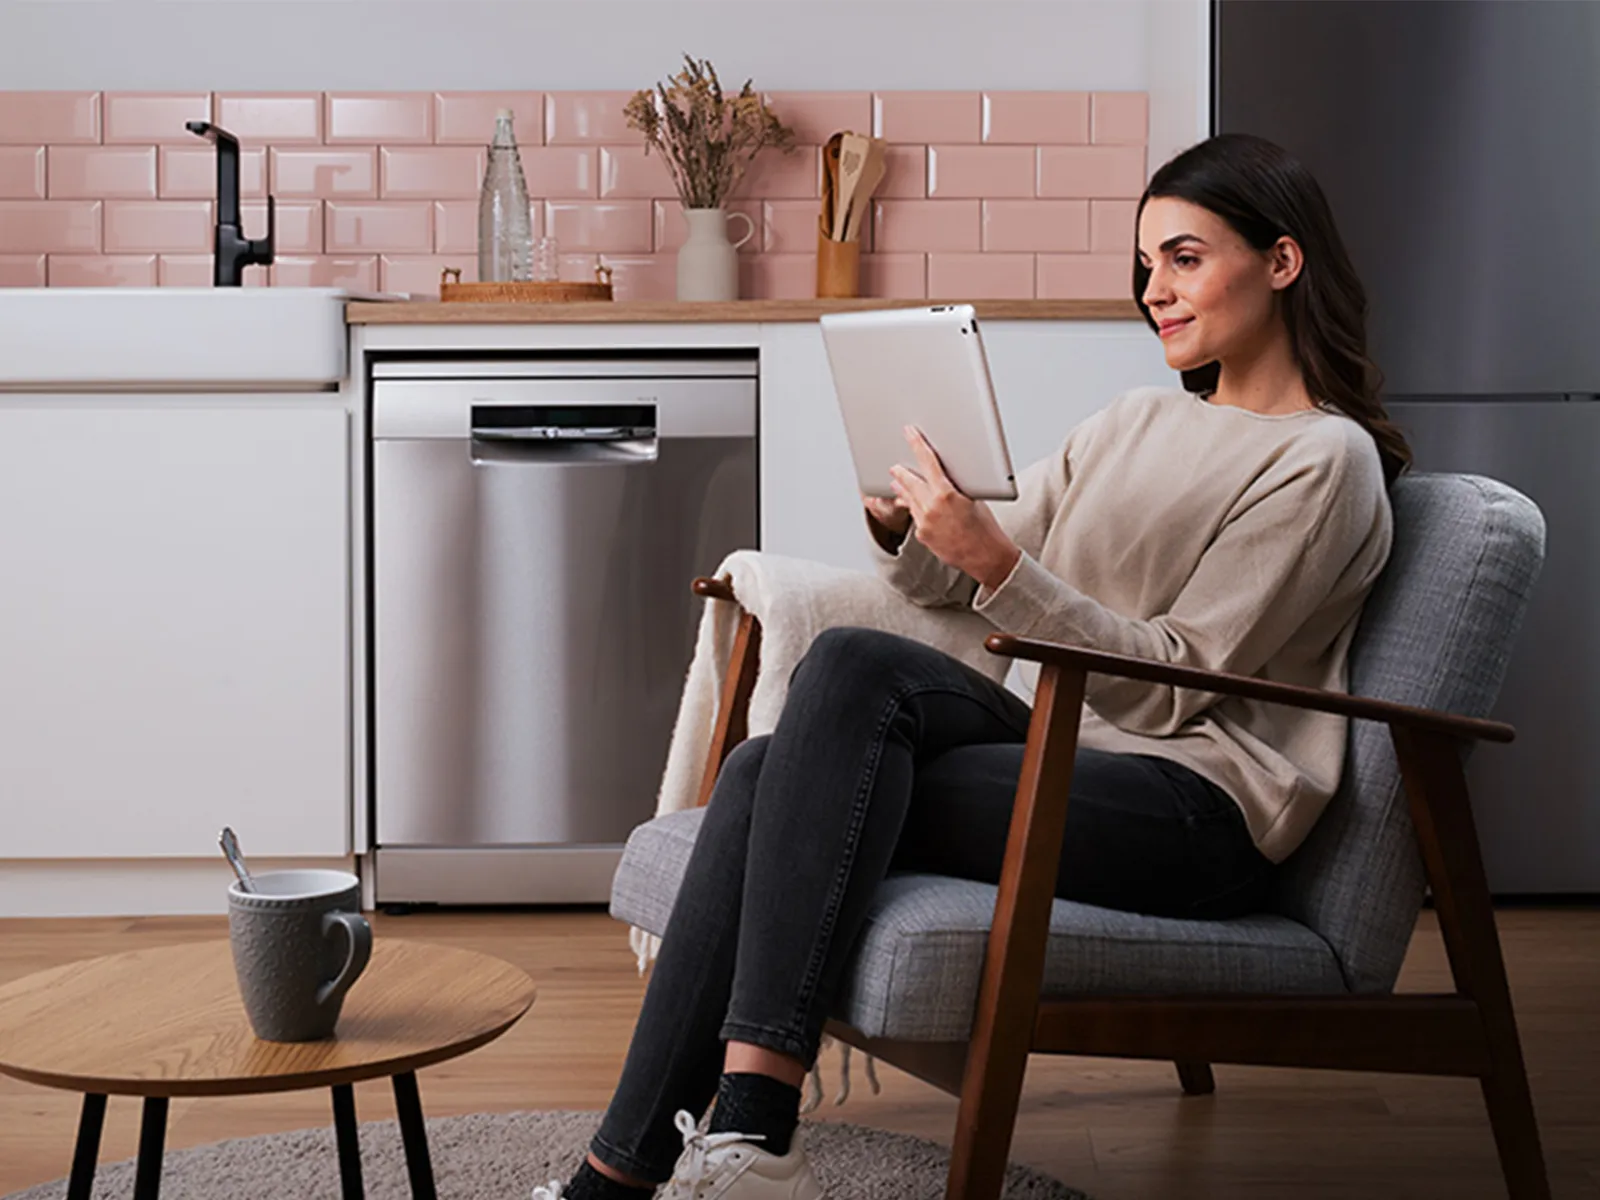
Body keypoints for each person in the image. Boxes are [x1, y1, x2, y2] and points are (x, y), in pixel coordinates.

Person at [533, 132, 1408, 1200]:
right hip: (1077, 761)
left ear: (1281, 262)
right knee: (793, 742)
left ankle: (741, 1137)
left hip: (1200, 811)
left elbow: (1178, 685)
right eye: (1144, 267)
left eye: (1183, 258)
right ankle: (644, 1171)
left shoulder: (1324, 461)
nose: (1155, 292)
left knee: (818, 729)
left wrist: (997, 560)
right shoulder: (1131, 422)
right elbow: (954, 581)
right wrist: (912, 526)